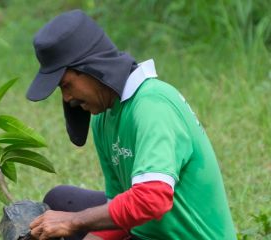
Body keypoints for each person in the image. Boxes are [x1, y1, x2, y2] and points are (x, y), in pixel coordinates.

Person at [26, 9, 237, 240]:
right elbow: (119, 213)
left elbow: (152, 200)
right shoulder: (104, 117)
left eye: (66, 85)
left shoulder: (152, 105)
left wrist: (74, 221)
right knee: (59, 201)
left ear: (90, 69)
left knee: (68, 216)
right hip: (146, 232)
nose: (67, 99)